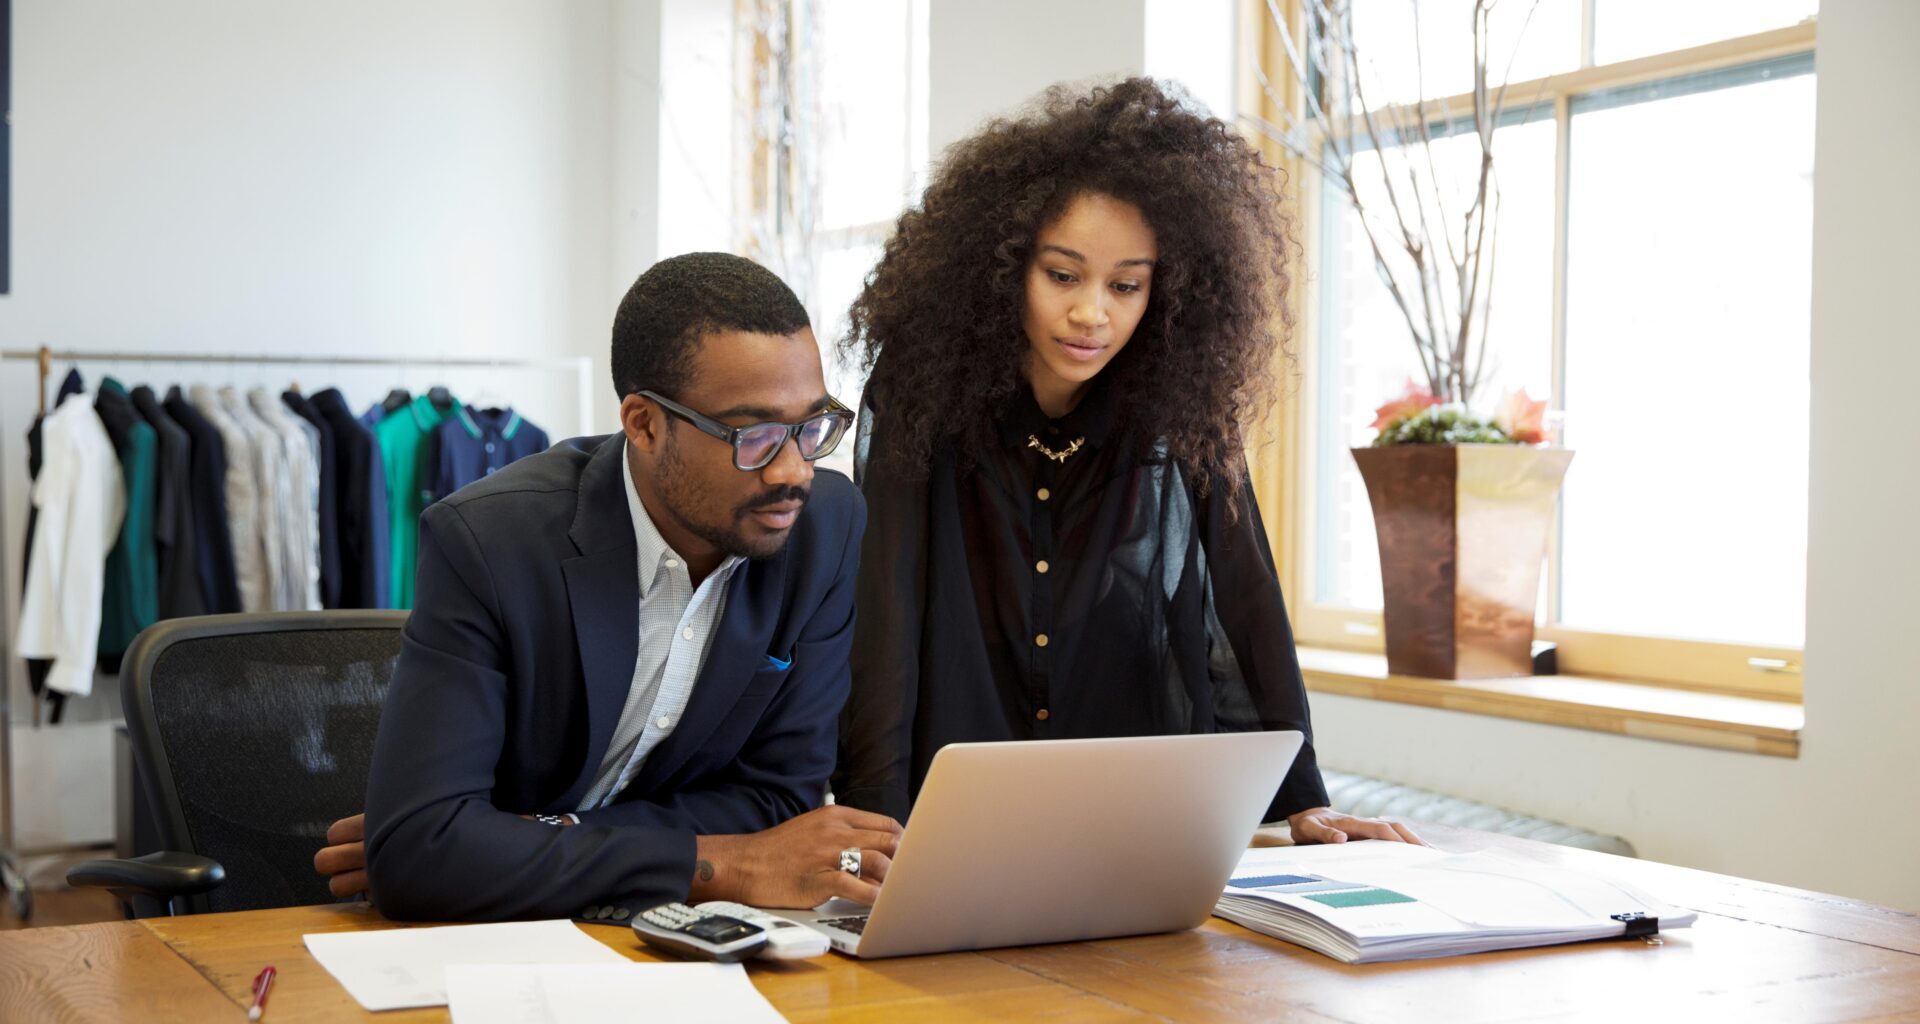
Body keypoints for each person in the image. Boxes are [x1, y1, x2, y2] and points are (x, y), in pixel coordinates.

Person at [833, 78, 1418, 846]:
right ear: (1004, 267)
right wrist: (875, 817)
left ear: (1165, 291)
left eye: (1126, 285)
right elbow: (887, 607)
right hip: (955, 794)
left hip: (1124, 801)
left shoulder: (1179, 403)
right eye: (1063, 275)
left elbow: (1244, 592)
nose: (1092, 314)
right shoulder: (921, 391)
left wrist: (1298, 798)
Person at [345, 253, 901, 921]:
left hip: (668, 939)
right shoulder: (490, 544)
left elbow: (778, 798)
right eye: (753, 436)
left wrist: (538, 836)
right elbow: (421, 855)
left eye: (811, 428)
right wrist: (714, 863)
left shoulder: (825, 526)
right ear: (643, 424)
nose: (794, 471)